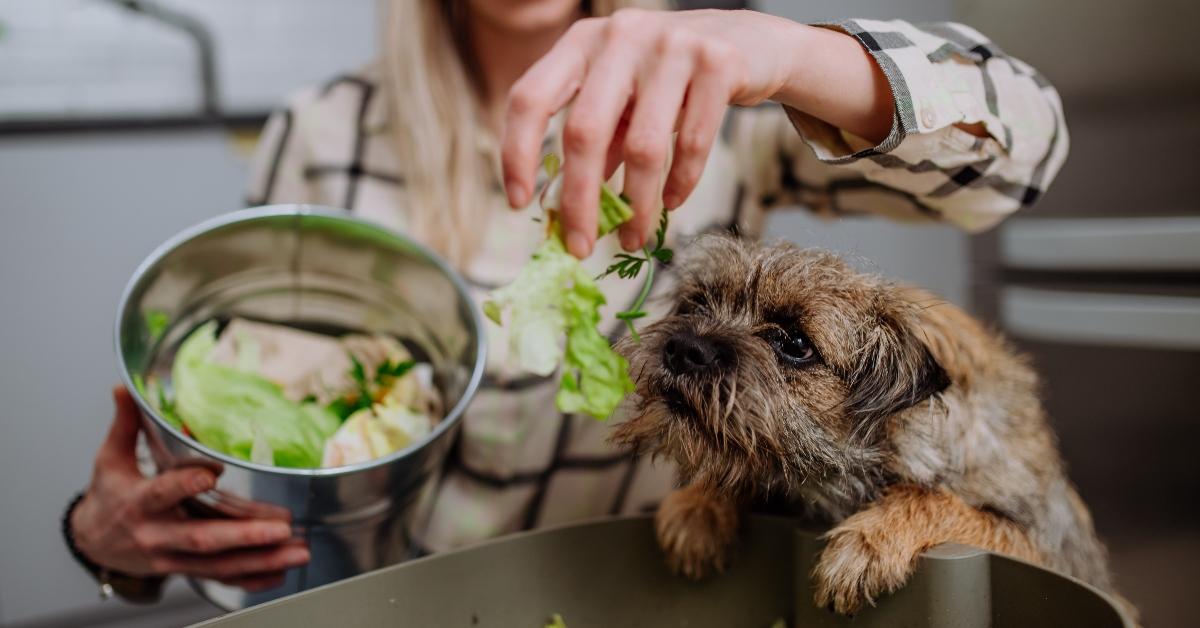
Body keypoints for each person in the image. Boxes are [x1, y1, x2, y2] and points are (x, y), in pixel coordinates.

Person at [65, 0, 1067, 602]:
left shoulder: (723, 113)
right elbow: (276, 473)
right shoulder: (320, 135)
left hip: (639, 602)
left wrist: (789, 54)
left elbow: (1021, 161)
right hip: (400, 604)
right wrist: (117, 551)